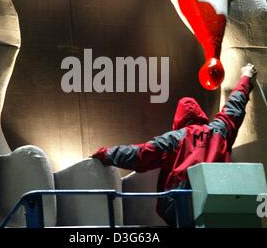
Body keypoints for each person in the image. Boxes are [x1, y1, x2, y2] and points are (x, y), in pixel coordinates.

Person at [92, 63, 258, 226]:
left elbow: (140, 154)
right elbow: (235, 105)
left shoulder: (176, 138)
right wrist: (246, 77)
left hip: (184, 206)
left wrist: (106, 154)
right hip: (223, 199)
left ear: (179, 119)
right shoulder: (220, 129)